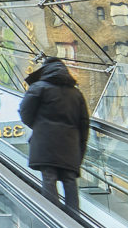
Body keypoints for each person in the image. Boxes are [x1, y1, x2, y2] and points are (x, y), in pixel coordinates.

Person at [16, 56, 90, 214]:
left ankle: (53, 219)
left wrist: (39, 126)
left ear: (45, 70)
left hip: (45, 143)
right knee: (69, 181)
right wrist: (80, 150)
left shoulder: (38, 87)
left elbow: (25, 113)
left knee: (49, 178)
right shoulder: (76, 94)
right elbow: (84, 125)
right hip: (70, 146)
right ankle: (75, 223)